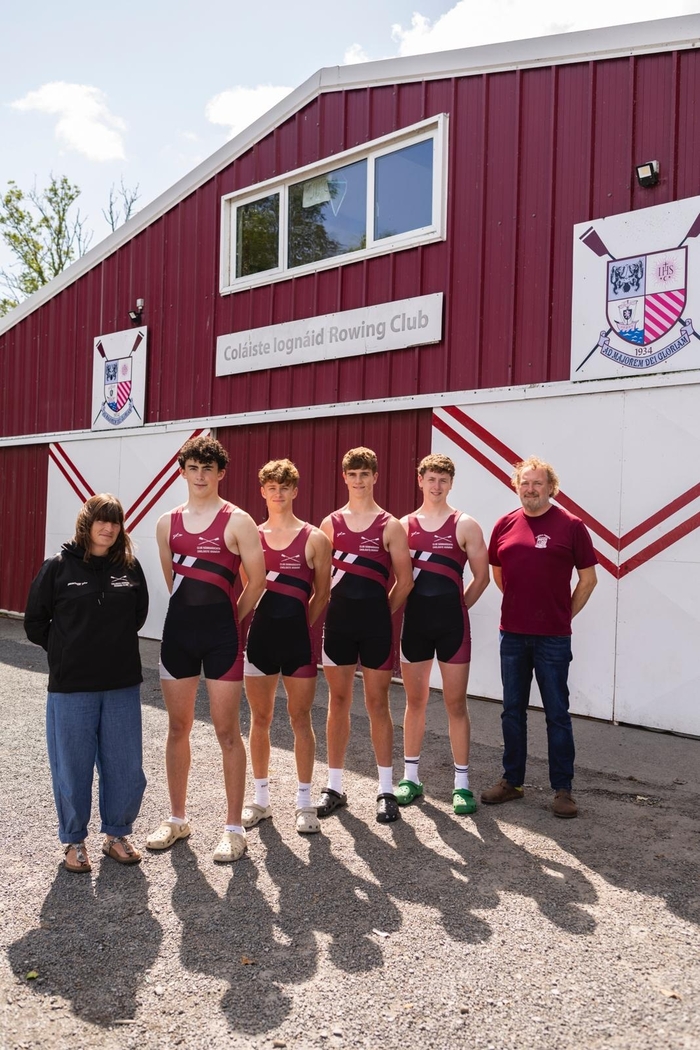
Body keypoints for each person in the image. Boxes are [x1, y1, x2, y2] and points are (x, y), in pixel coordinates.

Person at [146, 435, 266, 863]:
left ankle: (233, 828)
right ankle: (177, 819)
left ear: (220, 473)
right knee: (177, 729)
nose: (200, 475)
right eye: (193, 467)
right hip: (178, 634)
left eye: (208, 468)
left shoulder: (239, 521)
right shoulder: (166, 523)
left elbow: (258, 582)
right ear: (183, 472)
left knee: (226, 732)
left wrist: (229, 618)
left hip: (222, 637)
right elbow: (172, 582)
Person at [25, 494, 149, 873]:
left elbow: (138, 616)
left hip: (121, 685)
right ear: (87, 524)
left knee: (125, 765)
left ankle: (116, 836)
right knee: (72, 766)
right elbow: (34, 622)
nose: (108, 528)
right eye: (101, 521)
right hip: (72, 688)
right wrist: (66, 651)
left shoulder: (129, 568)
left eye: (115, 522)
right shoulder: (58, 568)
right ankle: (74, 842)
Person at [482, 456, 597, 818]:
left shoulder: (571, 526)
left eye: (538, 483)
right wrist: (520, 605)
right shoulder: (505, 524)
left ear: (551, 487)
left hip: (553, 639)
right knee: (511, 712)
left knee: (557, 713)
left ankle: (563, 789)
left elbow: (589, 579)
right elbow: (498, 572)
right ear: (517, 486)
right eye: (525, 483)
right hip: (512, 635)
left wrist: (562, 614)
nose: (530, 489)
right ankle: (512, 782)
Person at [315, 447, 413, 824]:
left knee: (377, 704)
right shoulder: (330, 524)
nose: (359, 480)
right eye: (352, 474)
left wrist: (378, 614)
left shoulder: (390, 525)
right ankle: (334, 786)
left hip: (374, 627)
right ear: (345, 478)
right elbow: (321, 583)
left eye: (365, 474)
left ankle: (386, 789)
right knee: (337, 701)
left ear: (375, 477)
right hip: (338, 624)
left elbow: (404, 582)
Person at [241, 459, 332, 835]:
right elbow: (251, 588)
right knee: (259, 721)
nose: (278, 494)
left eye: (285, 487)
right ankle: (261, 800)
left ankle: (304, 802)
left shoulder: (315, 538)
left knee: (300, 720)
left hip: (298, 643)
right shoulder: (251, 536)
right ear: (262, 491)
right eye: (271, 487)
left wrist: (298, 626)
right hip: (259, 640)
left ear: (295, 491)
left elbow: (323, 593)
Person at [397, 454, 489, 814]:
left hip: (452, 625)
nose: (437, 486)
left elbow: (481, 577)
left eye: (443, 480)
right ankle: (410, 777)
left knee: (455, 705)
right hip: (416, 624)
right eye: (431, 478)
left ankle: (462, 784)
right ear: (420, 481)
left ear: (451, 484)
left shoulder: (465, 524)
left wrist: (458, 606)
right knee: (414, 702)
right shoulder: (403, 526)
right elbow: (399, 579)